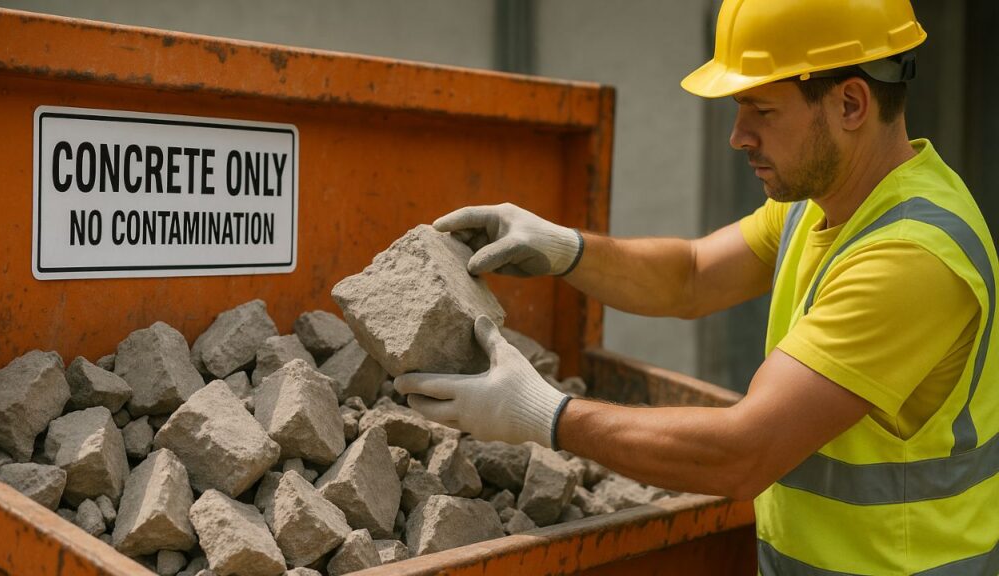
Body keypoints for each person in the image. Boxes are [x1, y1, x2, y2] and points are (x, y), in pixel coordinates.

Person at [394, 0, 999, 573]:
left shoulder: (911, 257)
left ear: (850, 104)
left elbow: (743, 451)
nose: (738, 136)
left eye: (761, 110)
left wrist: (543, 413)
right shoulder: (823, 202)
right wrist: (563, 249)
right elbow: (691, 275)